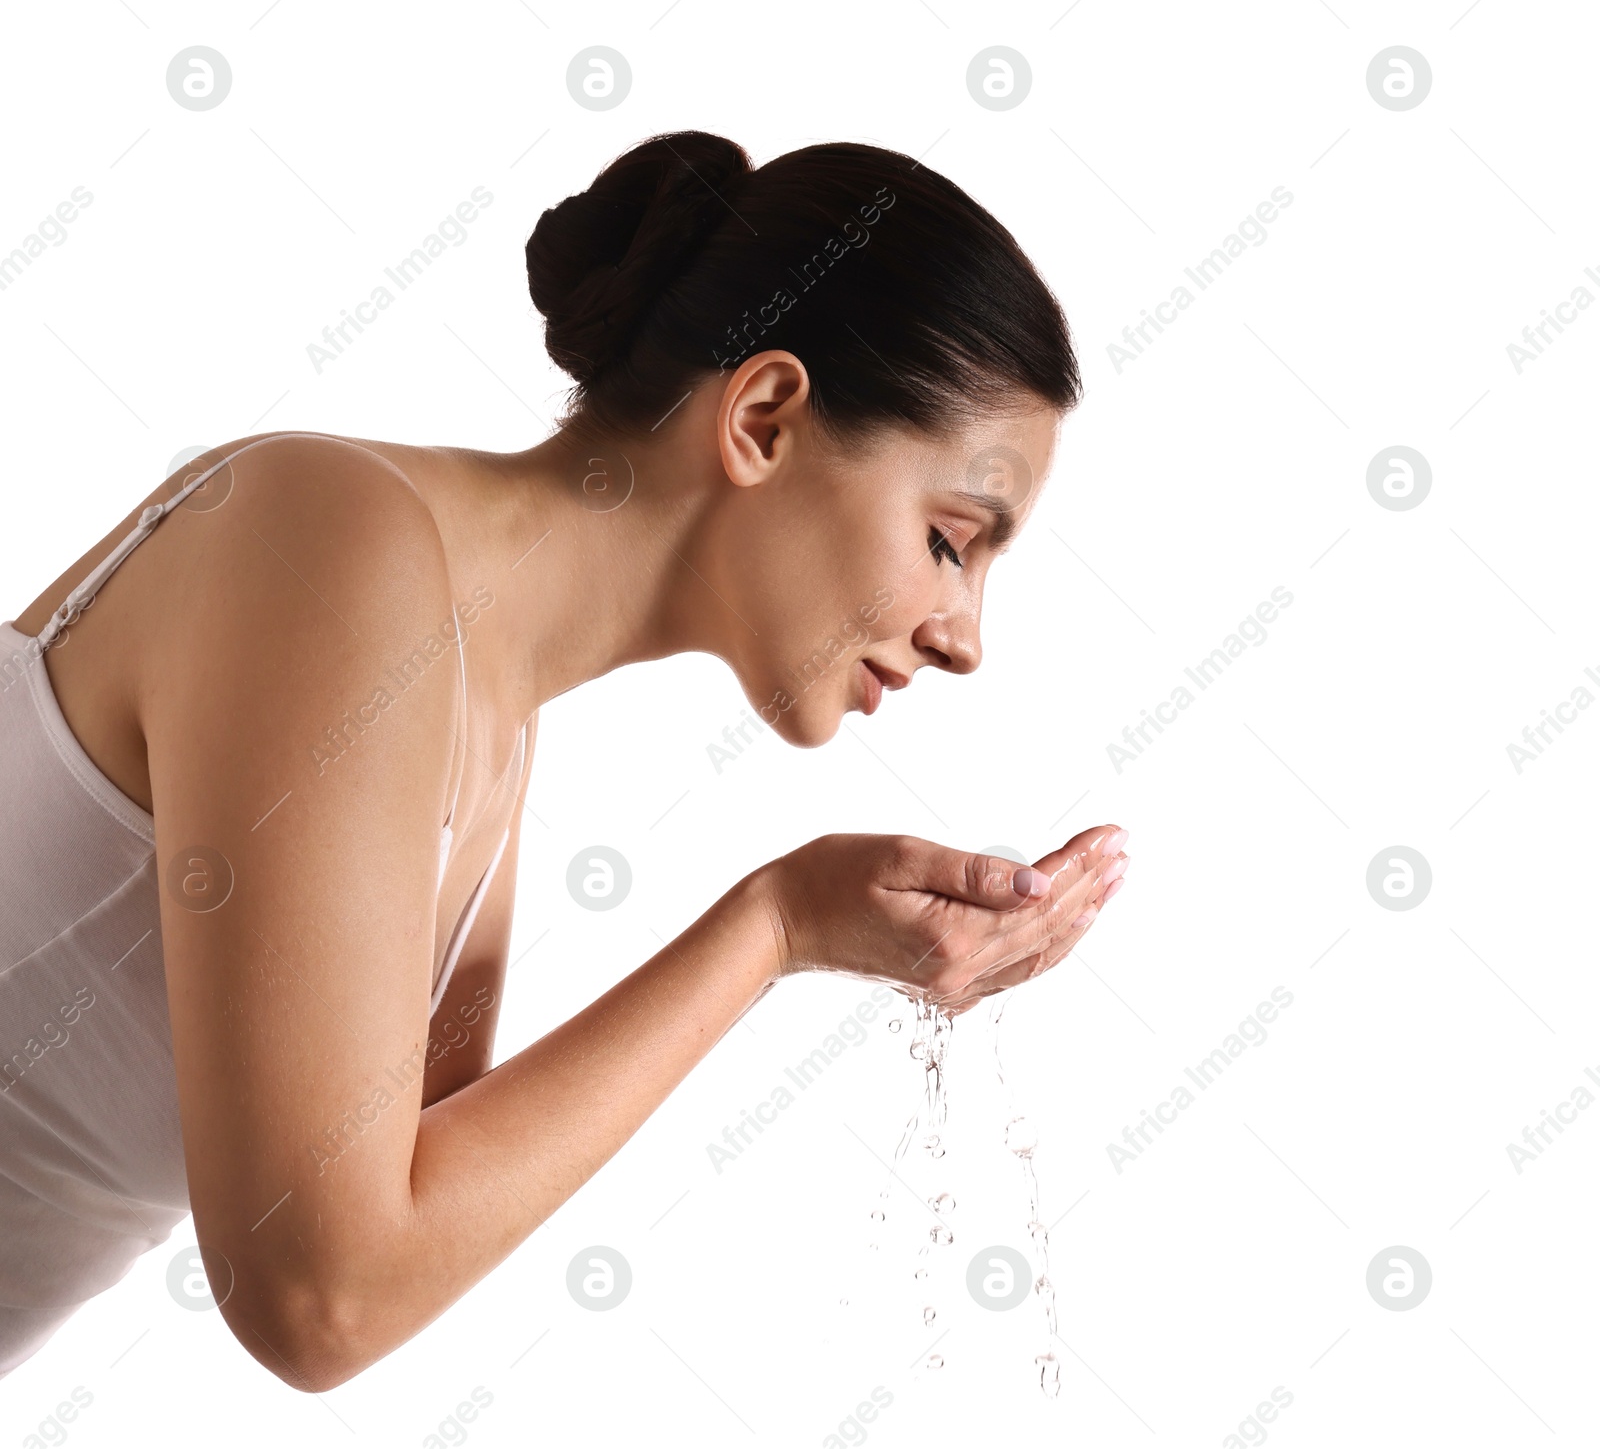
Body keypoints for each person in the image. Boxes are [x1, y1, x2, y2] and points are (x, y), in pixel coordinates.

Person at [0, 129, 1130, 1387]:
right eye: (950, 539)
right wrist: (771, 924)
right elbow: (322, 1295)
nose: (965, 635)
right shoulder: (333, 549)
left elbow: (411, 1211)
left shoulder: (479, 715)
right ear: (761, 417)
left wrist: (802, 925)